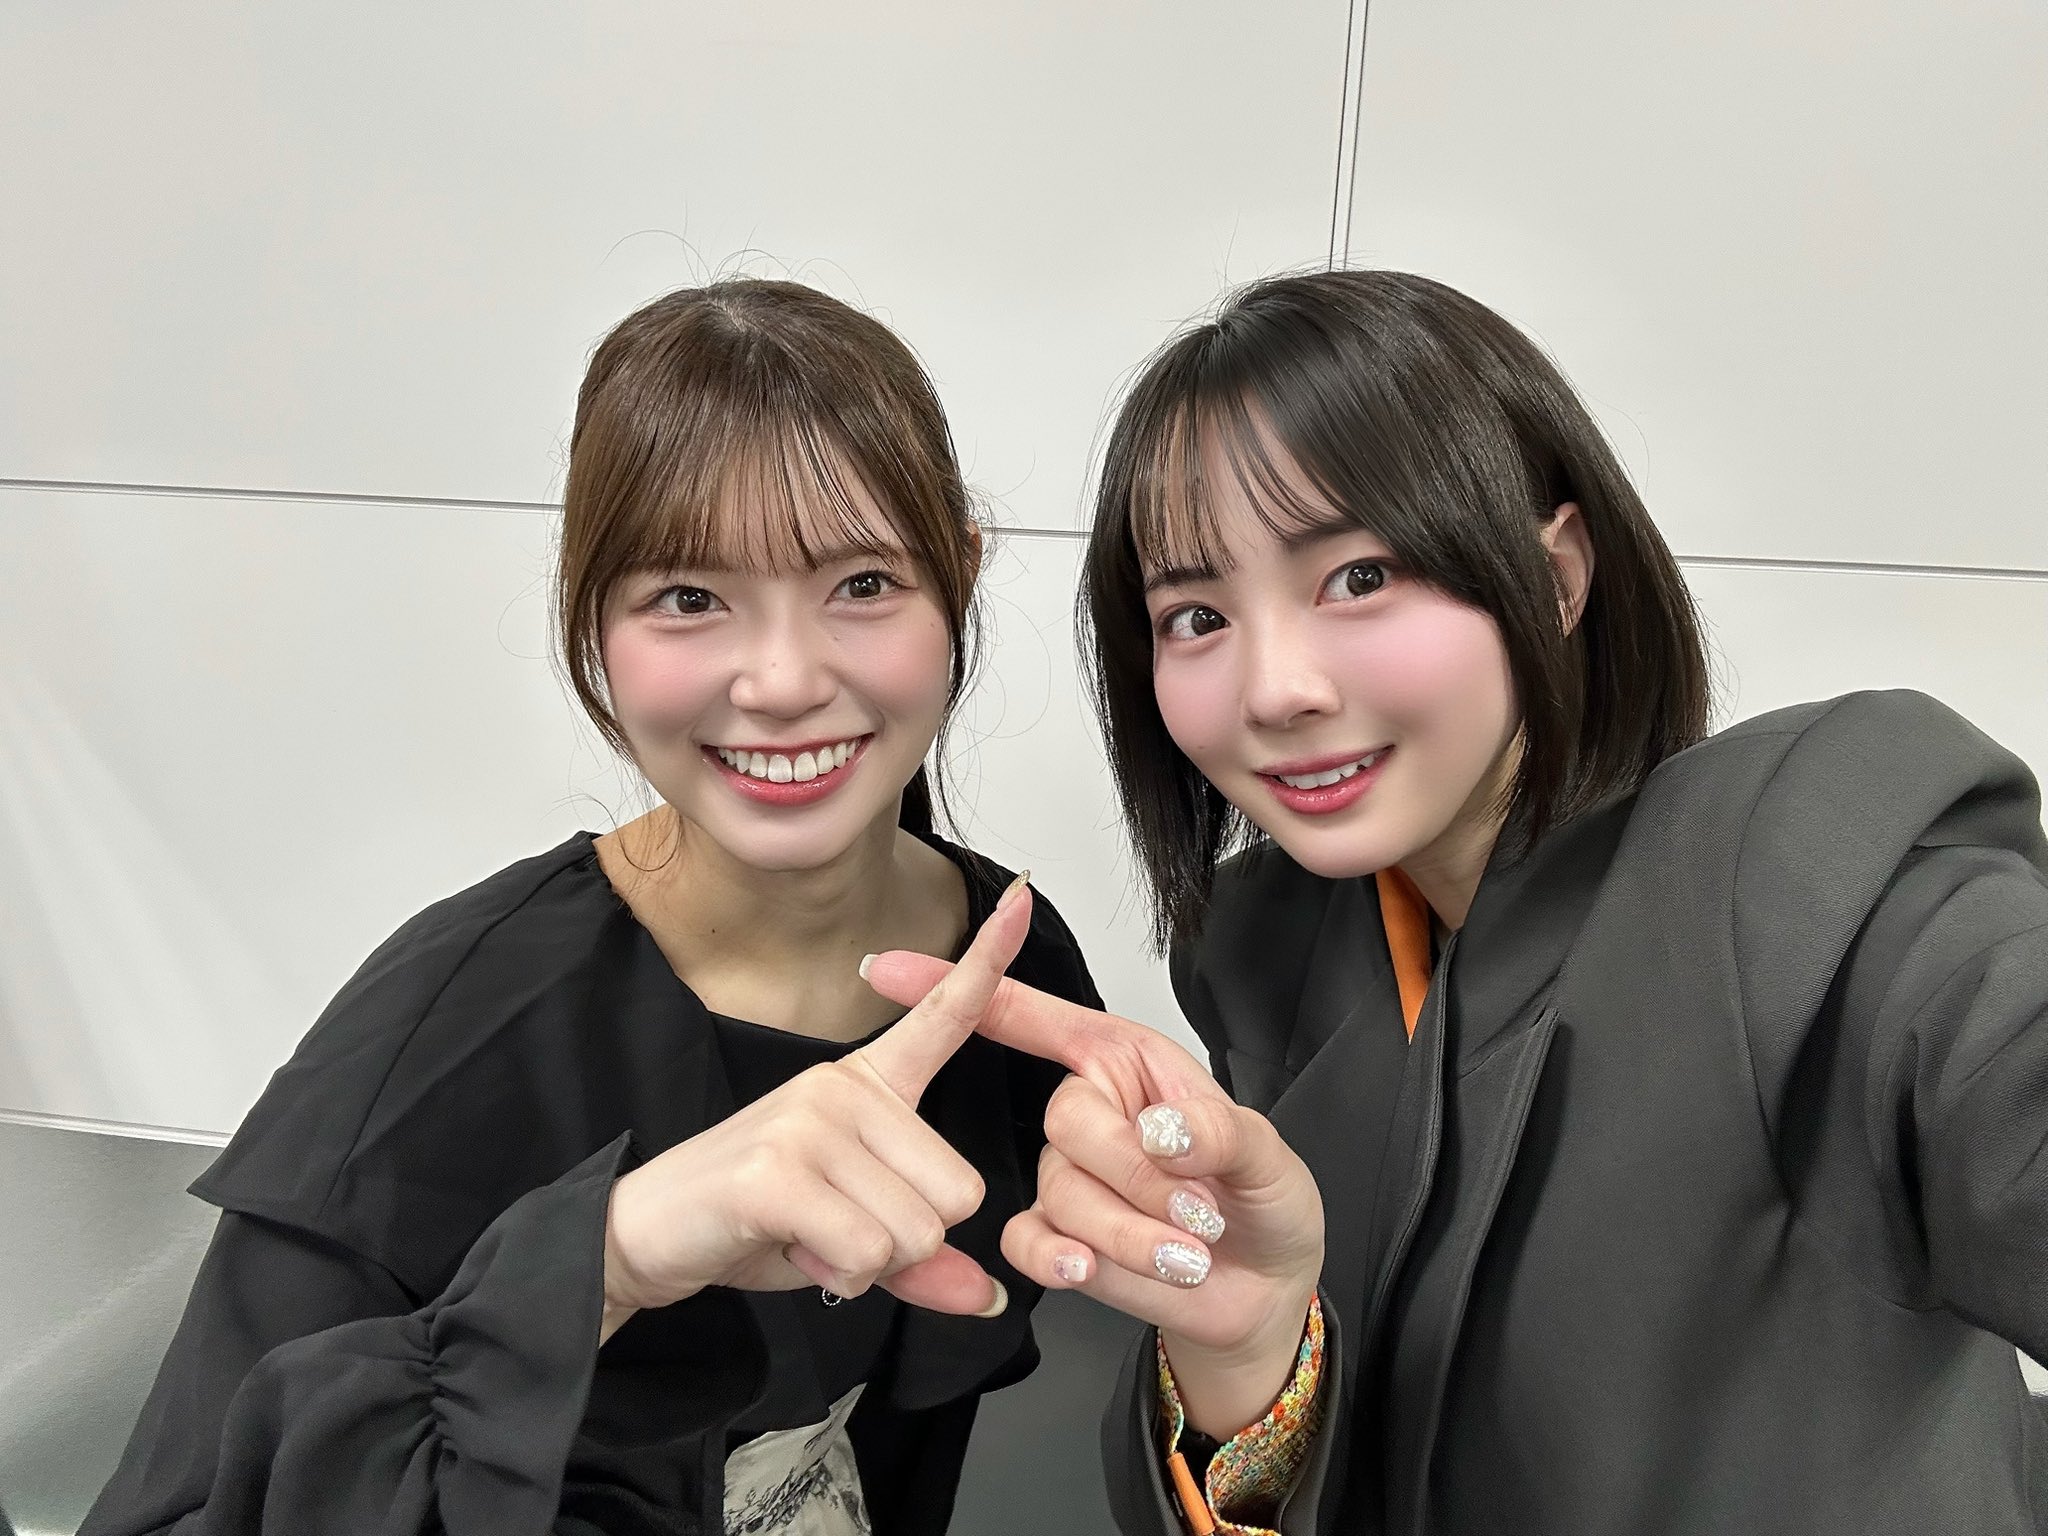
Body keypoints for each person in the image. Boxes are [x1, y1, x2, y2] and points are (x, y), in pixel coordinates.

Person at [864, 270, 2048, 1533]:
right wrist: (1244, 1349)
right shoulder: (1263, 953)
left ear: (1555, 574)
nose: (1274, 689)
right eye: (1196, 615)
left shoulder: (1818, 859)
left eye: (1358, 577)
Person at [81, 279, 1102, 1536]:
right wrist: (601, 1264)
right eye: (687, 598)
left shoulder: (1008, 968)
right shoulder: (449, 1034)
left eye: (862, 584)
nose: (783, 680)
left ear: (961, 577)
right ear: (592, 622)